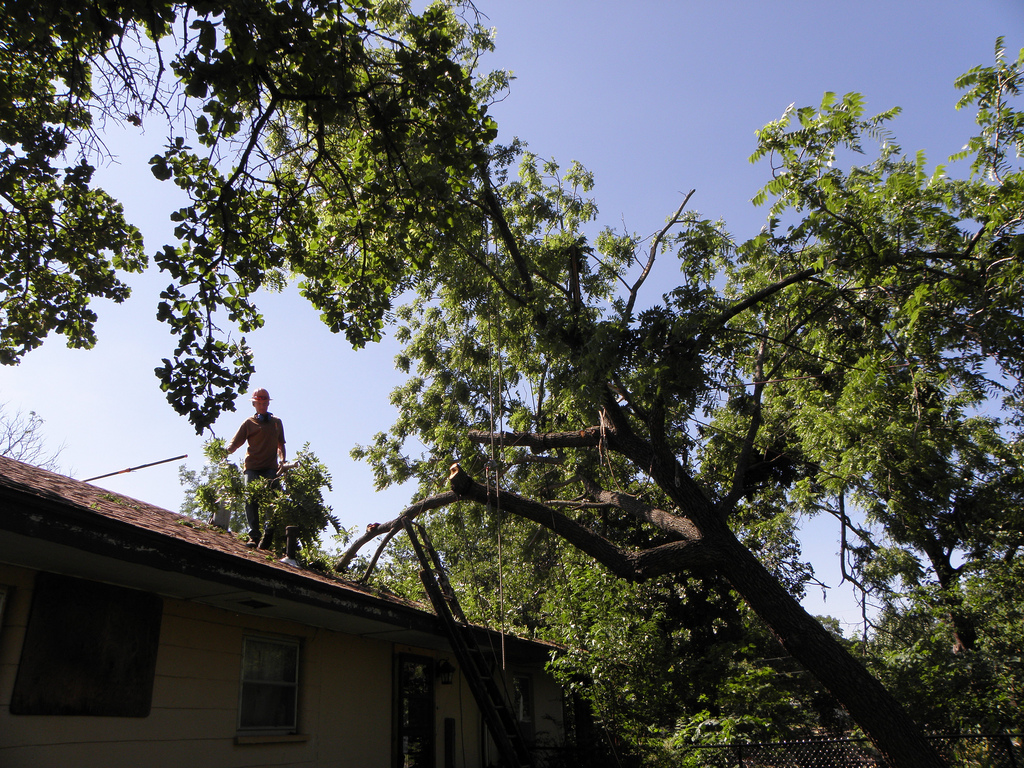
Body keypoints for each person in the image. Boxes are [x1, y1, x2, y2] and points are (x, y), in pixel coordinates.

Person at [227, 388, 286, 548]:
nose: (262, 405)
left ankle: (269, 533)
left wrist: (282, 460)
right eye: (259, 403)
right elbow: (235, 443)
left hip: (270, 468)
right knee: (250, 499)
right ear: (254, 404)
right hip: (252, 467)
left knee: (272, 501)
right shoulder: (248, 423)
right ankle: (254, 535)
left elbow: (281, 444)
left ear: (268, 403)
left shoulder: (276, 423)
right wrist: (225, 452)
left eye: (264, 402)